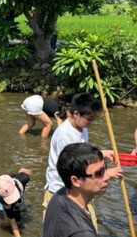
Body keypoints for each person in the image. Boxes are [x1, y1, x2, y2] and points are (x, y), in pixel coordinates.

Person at [36, 142, 123, 237]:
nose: (107, 176)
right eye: (99, 173)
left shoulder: (60, 195)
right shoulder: (81, 232)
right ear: (76, 180)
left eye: (105, 169)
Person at [43, 93, 123, 229]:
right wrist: (105, 175)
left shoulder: (82, 127)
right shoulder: (65, 135)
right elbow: (74, 169)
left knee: (91, 230)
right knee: (61, 235)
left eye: (93, 119)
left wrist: (101, 153)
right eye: (89, 119)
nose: (91, 124)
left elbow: (82, 154)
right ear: (76, 114)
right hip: (62, 190)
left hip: (80, 189)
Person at [0, 168, 31, 237]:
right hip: (4, 193)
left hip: (17, 182)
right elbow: (13, 223)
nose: (14, 201)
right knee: (7, 221)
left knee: (18, 211)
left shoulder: (24, 179)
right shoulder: (3, 200)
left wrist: (23, 172)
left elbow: (27, 173)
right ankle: (6, 218)